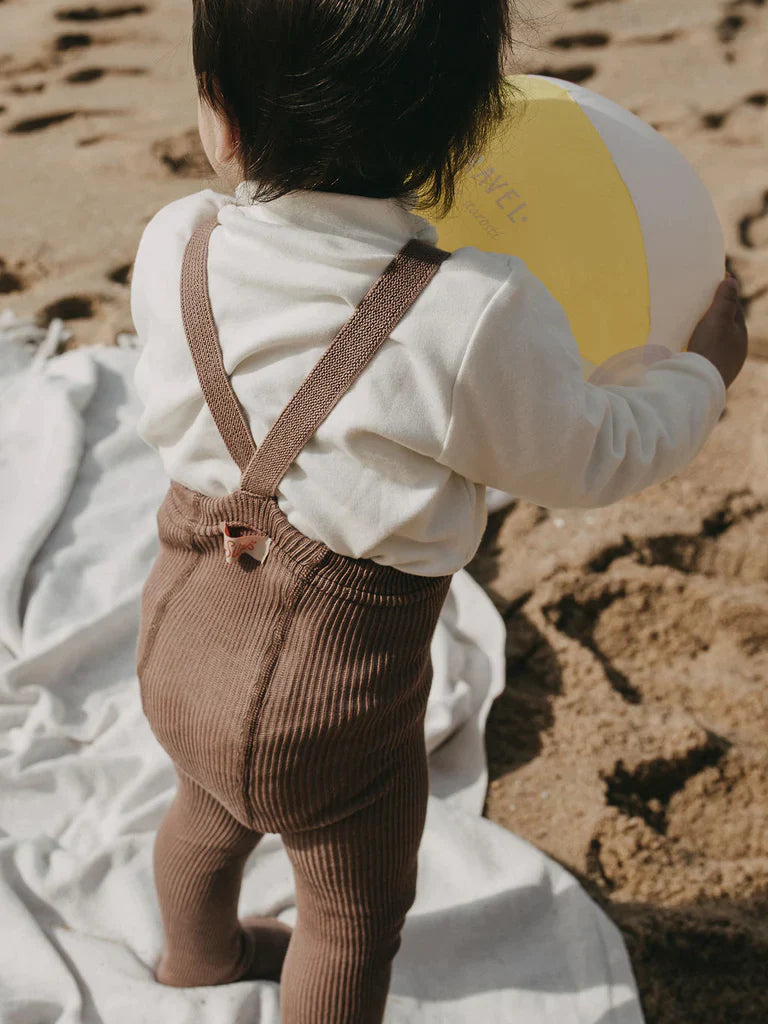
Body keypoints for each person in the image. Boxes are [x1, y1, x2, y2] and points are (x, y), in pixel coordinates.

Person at [130, 1, 749, 1021]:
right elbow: (595, 454)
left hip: (179, 642)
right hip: (334, 708)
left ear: (222, 120)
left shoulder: (177, 241)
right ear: (468, 132)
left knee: (203, 809)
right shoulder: (469, 311)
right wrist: (699, 376)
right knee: (349, 912)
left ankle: (193, 964)